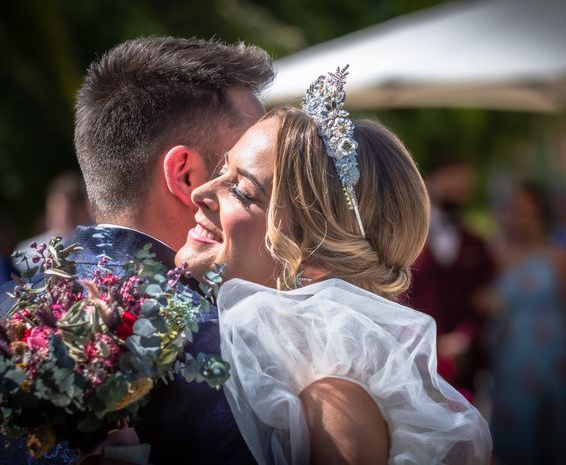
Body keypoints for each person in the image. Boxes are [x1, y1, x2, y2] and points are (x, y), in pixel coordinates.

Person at [176, 68, 491, 464]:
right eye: (222, 170)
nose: (201, 192)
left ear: (315, 261)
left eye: (242, 190)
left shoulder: (334, 409)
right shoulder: (265, 363)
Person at [0, 36, 272, 465]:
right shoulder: (220, 341)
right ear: (185, 177)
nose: (270, 188)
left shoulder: (10, 314)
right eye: (244, 170)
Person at [489, 183, 566, 465]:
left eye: (529, 212)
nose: (522, 219)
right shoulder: (495, 257)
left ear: (542, 215)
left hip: (555, 361)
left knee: (560, 440)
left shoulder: (561, 258)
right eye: (515, 212)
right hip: (511, 363)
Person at [403, 157, 495, 398]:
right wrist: (430, 342)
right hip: (413, 360)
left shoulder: (477, 244)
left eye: (464, 182)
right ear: (428, 181)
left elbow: (483, 299)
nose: (458, 187)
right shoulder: (406, 239)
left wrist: (463, 338)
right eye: (451, 178)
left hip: (463, 367)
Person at [12, 170, 91, 273]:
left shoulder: (94, 241)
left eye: (70, 213)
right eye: (55, 209)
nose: (62, 217)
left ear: (84, 210)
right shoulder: (27, 251)